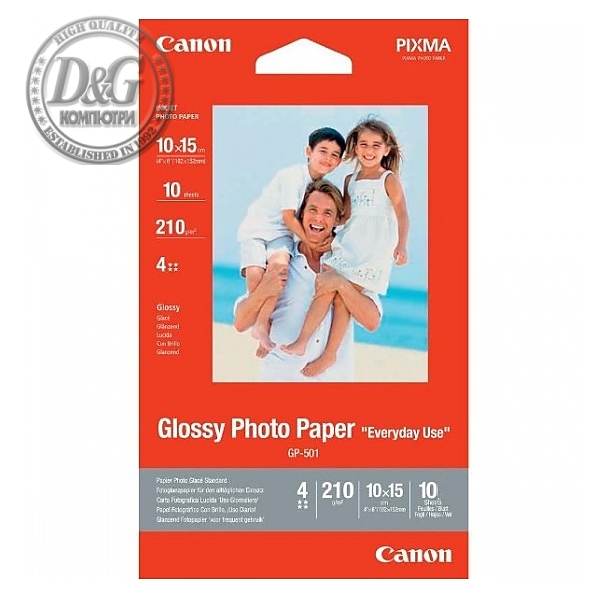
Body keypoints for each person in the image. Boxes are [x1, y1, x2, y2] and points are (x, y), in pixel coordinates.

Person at [281, 117, 409, 377]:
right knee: (326, 286)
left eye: (376, 145)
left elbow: (402, 214)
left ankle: (329, 354)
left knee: (340, 296)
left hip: (371, 253)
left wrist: (402, 245)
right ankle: (303, 341)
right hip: (349, 246)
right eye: (363, 144)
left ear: (386, 149)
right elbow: (346, 216)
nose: (369, 150)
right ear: (355, 147)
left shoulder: (388, 180)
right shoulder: (351, 180)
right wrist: (322, 227)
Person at [233, 178, 382, 382]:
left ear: (337, 220)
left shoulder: (348, 264)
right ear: (301, 214)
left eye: (327, 213)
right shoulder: (280, 260)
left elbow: (372, 321)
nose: (318, 218)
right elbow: (241, 323)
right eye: (313, 209)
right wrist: (263, 290)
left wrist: (341, 284)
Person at [236, 126, 346, 356]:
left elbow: (336, 217)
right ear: (308, 151)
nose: (327, 158)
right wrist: (311, 242)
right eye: (323, 151)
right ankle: (262, 324)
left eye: (334, 155)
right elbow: (288, 217)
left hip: (282, 234)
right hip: (258, 229)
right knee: (256, 275)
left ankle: (262, 326)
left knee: (279, 270)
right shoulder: (293, 176)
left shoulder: (316, 188)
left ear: (339, 161)